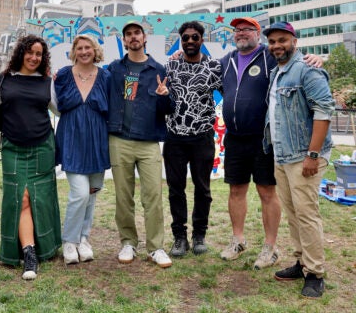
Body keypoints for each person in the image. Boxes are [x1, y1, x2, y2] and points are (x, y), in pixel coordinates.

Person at [219, 17, 321, 270]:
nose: (241, 33)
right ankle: (238, 240)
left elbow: (298, 61)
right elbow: (198, 66)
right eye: (237, 30)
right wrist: (177, 54)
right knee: (236, 190)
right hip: (234, 137)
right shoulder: (226, 61)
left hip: (264, 139)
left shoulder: (270, 56)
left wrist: (319, 58)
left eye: (247, 29)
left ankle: (270, 247)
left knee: (266, 192)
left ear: (257, 34)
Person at [263, 22, 335, 299]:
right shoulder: (276, 73)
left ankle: (315, 273)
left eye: (282, 40)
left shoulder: (308, 69)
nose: (277, 45)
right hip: (282, 154)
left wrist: (312, 155)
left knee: (306, 215)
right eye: (272, 41)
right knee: (293, 214)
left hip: (304, 156)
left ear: (294, 41)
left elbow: (323, 112)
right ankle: (301, 262)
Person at [0, 34, 60, 280]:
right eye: (30, 52)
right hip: (13, 148)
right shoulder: (3, 80)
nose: (34, 57)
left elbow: (61, 109)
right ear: (21, 53)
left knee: (39, 199)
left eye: (39, 54)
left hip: (42, 146)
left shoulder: (46, 82)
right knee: (21, 197)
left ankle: (39, 248)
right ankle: (28, 253)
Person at [106, 20, 174, 268]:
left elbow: (169, 109)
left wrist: (165, 97)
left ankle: (155, 248)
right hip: (120, 139)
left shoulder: (158, 69)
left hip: (148, 142)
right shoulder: (114, 69)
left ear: (145, 38)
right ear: (124, 41)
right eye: (128, 34)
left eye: (137, 33)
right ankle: (128, 242)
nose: (133, 37)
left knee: (153, 196)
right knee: (123, 196)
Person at [162, 21, 222, 257]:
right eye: (185, 38)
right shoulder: (171, 66)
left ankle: (199, 235)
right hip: (175, 137)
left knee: (202, 189)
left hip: (202, 137)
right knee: (176, 189)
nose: (189, 41)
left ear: (201, 40)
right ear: (180, 41)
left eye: (194, 37)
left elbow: (231, 92)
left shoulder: (214, 67)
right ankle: (179, 237)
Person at [54, 35, 111, 265]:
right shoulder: (64, 75)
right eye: (80, 48)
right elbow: (54, 104)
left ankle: (83, 239)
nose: (84, 51)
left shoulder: (106, 76)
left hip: (97, 139)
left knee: (91, 193)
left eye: (88, 47)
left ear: (94, 50)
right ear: (74, 51)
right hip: (71, 138)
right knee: (78, 193)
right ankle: (69, 240)